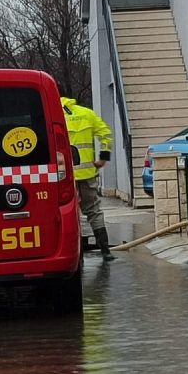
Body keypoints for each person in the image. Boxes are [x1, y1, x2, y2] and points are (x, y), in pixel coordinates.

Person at [61, 96, 115, 261]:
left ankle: (77, 251)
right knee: (93, 210)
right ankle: (105, 250)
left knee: (68, 213)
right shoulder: (87, 114)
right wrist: (103, 158)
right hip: (87, 173)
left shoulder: (53, 114)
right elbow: (106, 134)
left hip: (63, 175)